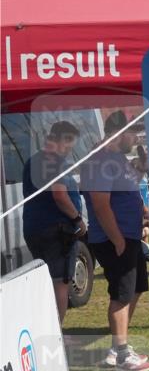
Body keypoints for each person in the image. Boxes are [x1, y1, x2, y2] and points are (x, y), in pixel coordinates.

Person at [79, 110, 149, 371]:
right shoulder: (100, 160)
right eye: (133, 133)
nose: (136, 139)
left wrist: (143, 212)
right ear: (118, 133)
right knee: (121, 294)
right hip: (114, 238)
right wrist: (118, 240)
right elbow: (100, 204)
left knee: (135, 289)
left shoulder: (118, 159)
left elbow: (129, 188)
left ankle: (117, 348)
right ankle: (122, 354)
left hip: (129, 235)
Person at [21, 121, 87, 324]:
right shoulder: (54, 161)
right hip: (56, 230)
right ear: (60, 139)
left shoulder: (33, 161)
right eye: (68, 145)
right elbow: (59, 195)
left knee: (47, 282)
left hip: (34, 228)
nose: (69, 151)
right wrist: (78, 219)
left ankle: (46, 327)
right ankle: (56, 331)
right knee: (60, 283)